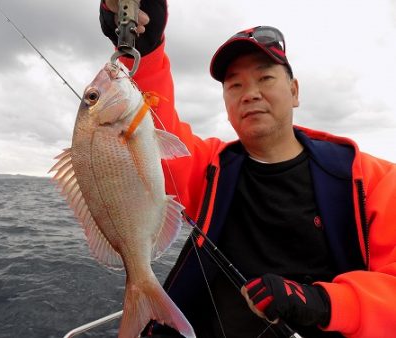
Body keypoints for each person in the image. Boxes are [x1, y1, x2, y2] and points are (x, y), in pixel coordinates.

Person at [99, 1, 396, 337]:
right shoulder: (210, 169)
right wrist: (146, 50)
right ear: (225, 101)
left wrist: (327, 302)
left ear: (295, 91)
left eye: (265, 78)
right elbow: (148, 131)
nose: (250, 94)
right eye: (234, 85)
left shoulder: (373, 180)